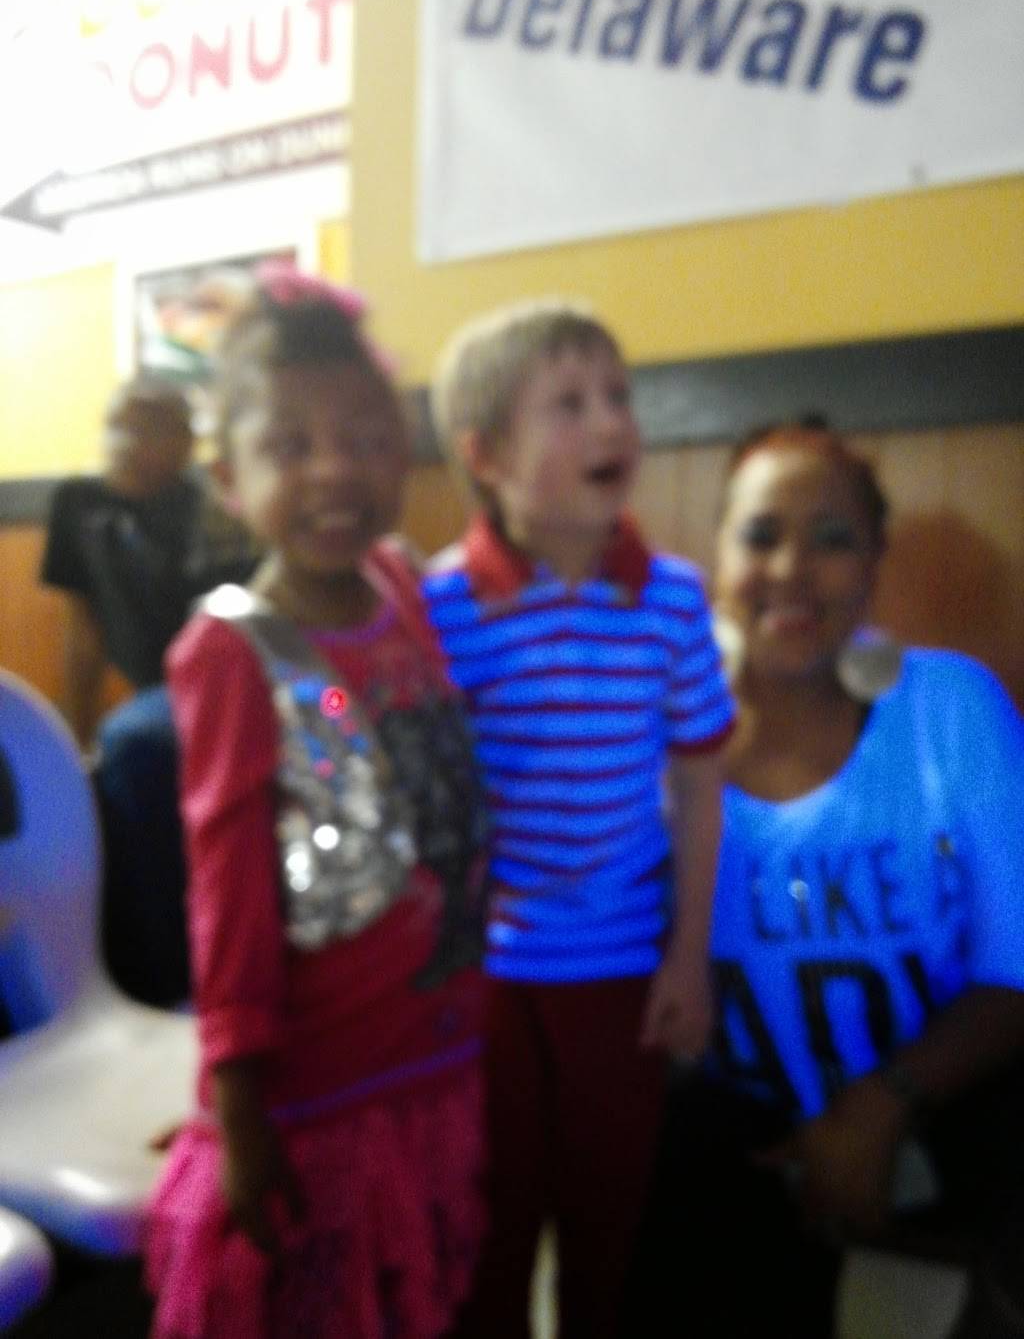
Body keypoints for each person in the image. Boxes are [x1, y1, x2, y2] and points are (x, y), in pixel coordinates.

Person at [144, 267, 490, 1339]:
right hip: (321, 1086)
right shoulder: (232, 650)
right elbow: (229, 894)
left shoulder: (400, 587)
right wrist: (240, 1105)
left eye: (367, 439)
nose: (336, 469)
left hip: (433, 1056)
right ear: (229, 478)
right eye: (290, 446)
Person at [634, 420, 1024, 1337]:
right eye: (761, 535)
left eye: (834, 538)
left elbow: (1016, 970)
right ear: (717, 556)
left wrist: (878, 1109)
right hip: (732, 1135)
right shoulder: (649, 734)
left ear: (876, 560)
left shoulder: (949, 707)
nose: (793, 569)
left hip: (944, 1101)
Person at [423, 299, 735, 1339]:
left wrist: (688, 959)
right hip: (489, 978)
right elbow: (413, 787)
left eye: (619, 396)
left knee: (607, 1225)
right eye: (569, 404)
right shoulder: (442, 607)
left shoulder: (672, 598)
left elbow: (699, 782)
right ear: (487, 457)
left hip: (623, 965)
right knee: (491, 1226)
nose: (612, 423)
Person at [39, 373, 258, 748]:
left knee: (133, 739)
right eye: (117, 426)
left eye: (149, 429)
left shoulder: (216, 514)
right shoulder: (78, 504)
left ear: (187, 444)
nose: (125, 443)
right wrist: (78, 743)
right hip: (151, 695)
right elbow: (82, 633)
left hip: (226, 686)